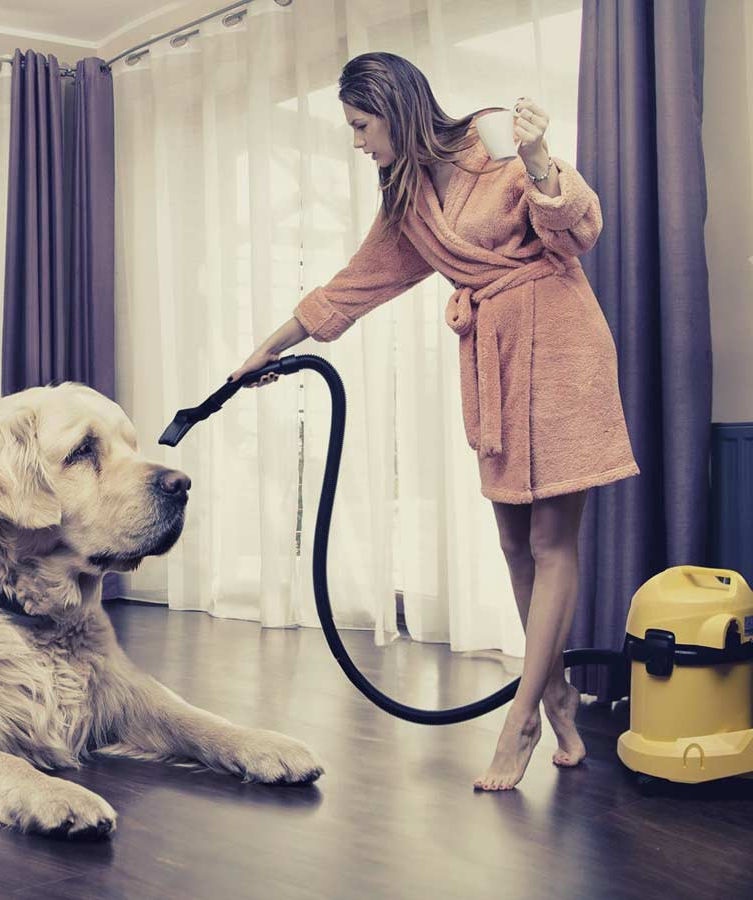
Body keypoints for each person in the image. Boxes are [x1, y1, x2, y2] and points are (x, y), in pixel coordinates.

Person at [229, 52, 638, 791]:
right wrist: (263, 351)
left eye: (361, 125)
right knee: (515, 541)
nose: (357, 142)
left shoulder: (500, 150)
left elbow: (578, 233)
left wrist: (543, 161)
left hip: (563, 343)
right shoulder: (410, 199)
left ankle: (520, 722)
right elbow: (351, 286)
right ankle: (557, 697)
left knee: (552, 540)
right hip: (498, 359)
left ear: (393, 108)